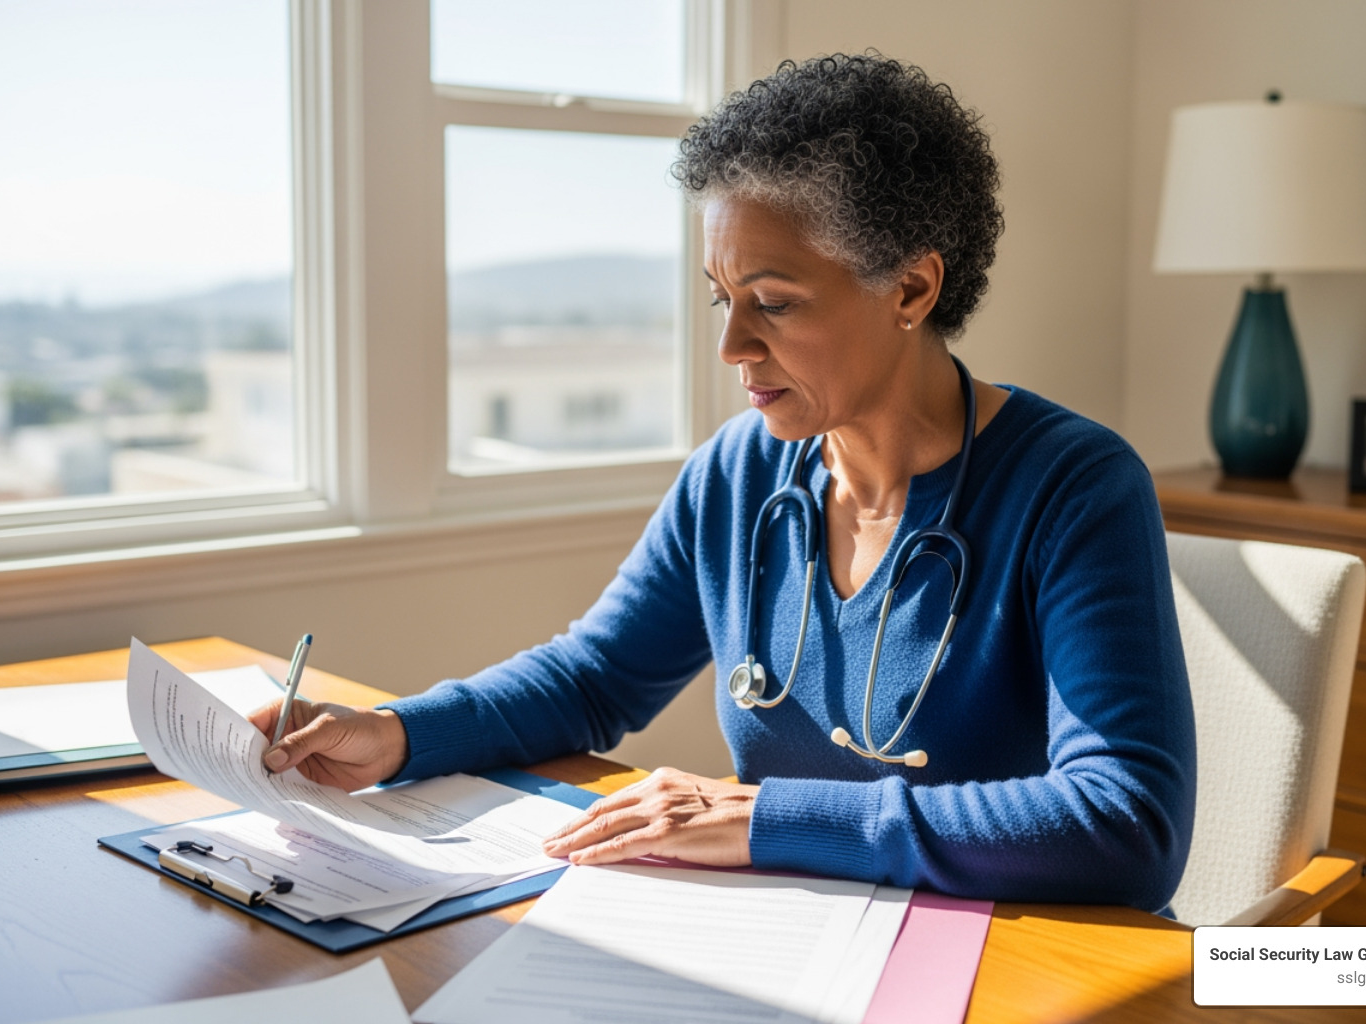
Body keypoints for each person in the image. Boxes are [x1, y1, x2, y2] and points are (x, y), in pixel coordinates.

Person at [252, 53, 1196, 913]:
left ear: (911, 289)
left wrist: (765, 817)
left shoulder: (1076, 488)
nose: (732, 348)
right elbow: (592, 679)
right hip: (796, 941)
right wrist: (394, 734)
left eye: (774, 304)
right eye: (722, 298)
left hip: (1015, 964)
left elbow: (1126, 825)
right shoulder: (740, 473)